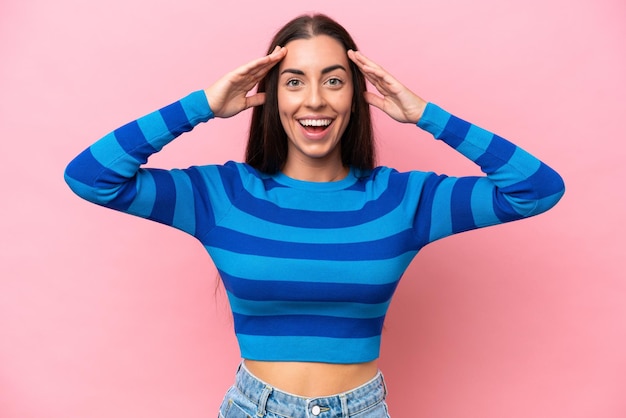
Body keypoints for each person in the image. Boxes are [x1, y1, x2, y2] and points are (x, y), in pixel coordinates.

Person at [65, 13, 564, 418]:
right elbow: (91, 177)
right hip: (253, 409)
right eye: (294, 81)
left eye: (333, 80)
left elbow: (536, 189)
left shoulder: (404, 198)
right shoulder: (221, 193)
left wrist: (425, 114)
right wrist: (201, 106)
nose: (315, 100)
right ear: (270, 94)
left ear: (356, 94)